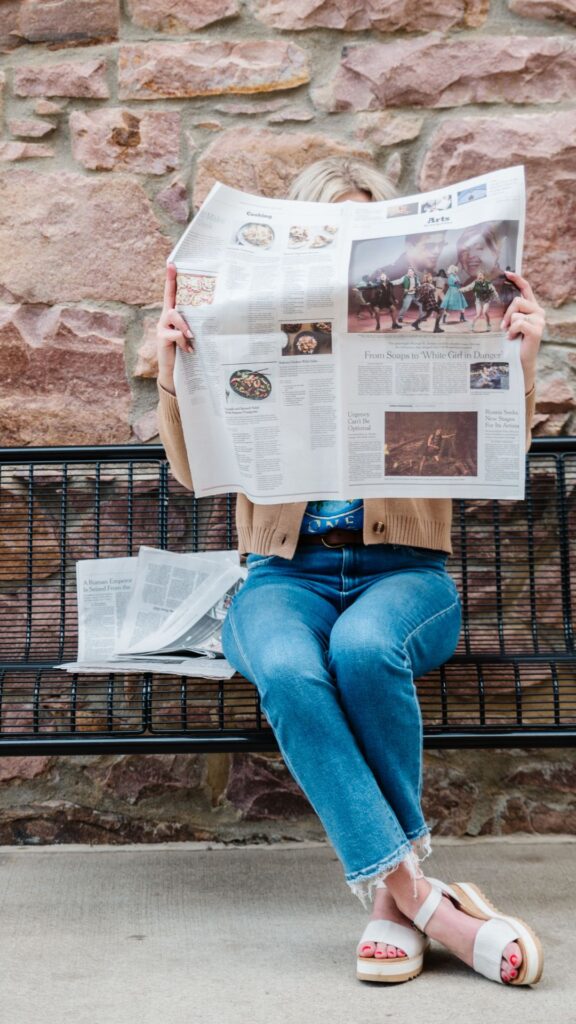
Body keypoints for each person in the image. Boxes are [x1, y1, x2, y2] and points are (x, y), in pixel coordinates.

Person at [156, 157, 545, 988]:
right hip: (281, 579)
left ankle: (386, 906)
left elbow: (498, 457)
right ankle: (420, 901)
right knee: (293, 669)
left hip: (404, 575)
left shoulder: (418, 308)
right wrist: (176, 372)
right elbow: (195, 471)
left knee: (366, 650)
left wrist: (519, 358)